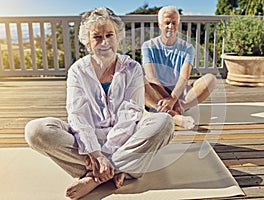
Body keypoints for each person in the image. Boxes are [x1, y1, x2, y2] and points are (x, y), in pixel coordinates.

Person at [24, 7, 173, 200]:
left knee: (164, 123)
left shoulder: (133, 68)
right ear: (87, 43)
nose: (105, 43)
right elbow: (78, 116)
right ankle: (123, 169)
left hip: (127, 139)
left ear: (117, 37)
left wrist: (106, 158)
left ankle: (95, 178)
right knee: (35, 131)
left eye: (109, 35)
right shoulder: (77, 71)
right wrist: (96, 154)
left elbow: (131, 114)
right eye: (97, 37)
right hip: (86, 144)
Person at [142, 6, 217, 129]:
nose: (170, 26)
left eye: (174, 23)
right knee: (140, 80)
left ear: (178, 24)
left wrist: (174, 99)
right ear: (160, 24)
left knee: (211, 79)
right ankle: (174, 116)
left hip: (179, 94)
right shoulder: (148, 46)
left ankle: (178, 108)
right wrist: (171, 100)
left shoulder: (187, 48)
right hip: (157, 93)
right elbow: (151, 77)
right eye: (167, 23)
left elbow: (184, 77)